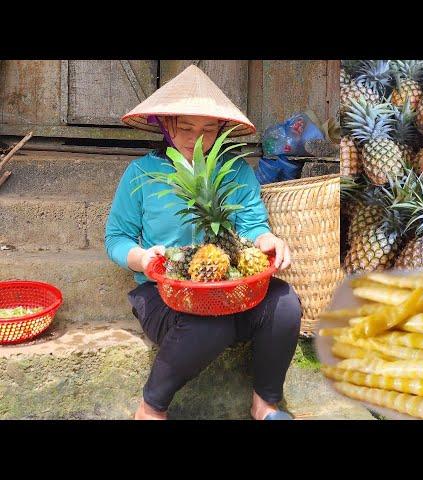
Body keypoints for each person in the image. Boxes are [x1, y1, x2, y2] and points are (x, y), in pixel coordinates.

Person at [105, 65, 301, 420]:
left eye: (208, 130)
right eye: (185, 128)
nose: (197, 139)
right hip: (164, 293)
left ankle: (265, 404)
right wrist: (141, 258)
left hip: (231, 288)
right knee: (210, 323)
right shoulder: (141, 174)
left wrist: (268, 239)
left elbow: (255, 225)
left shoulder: (236, 172)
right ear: (167, 125)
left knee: (285, 302)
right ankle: (150, 409)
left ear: (222, 132)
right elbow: (116, 238)